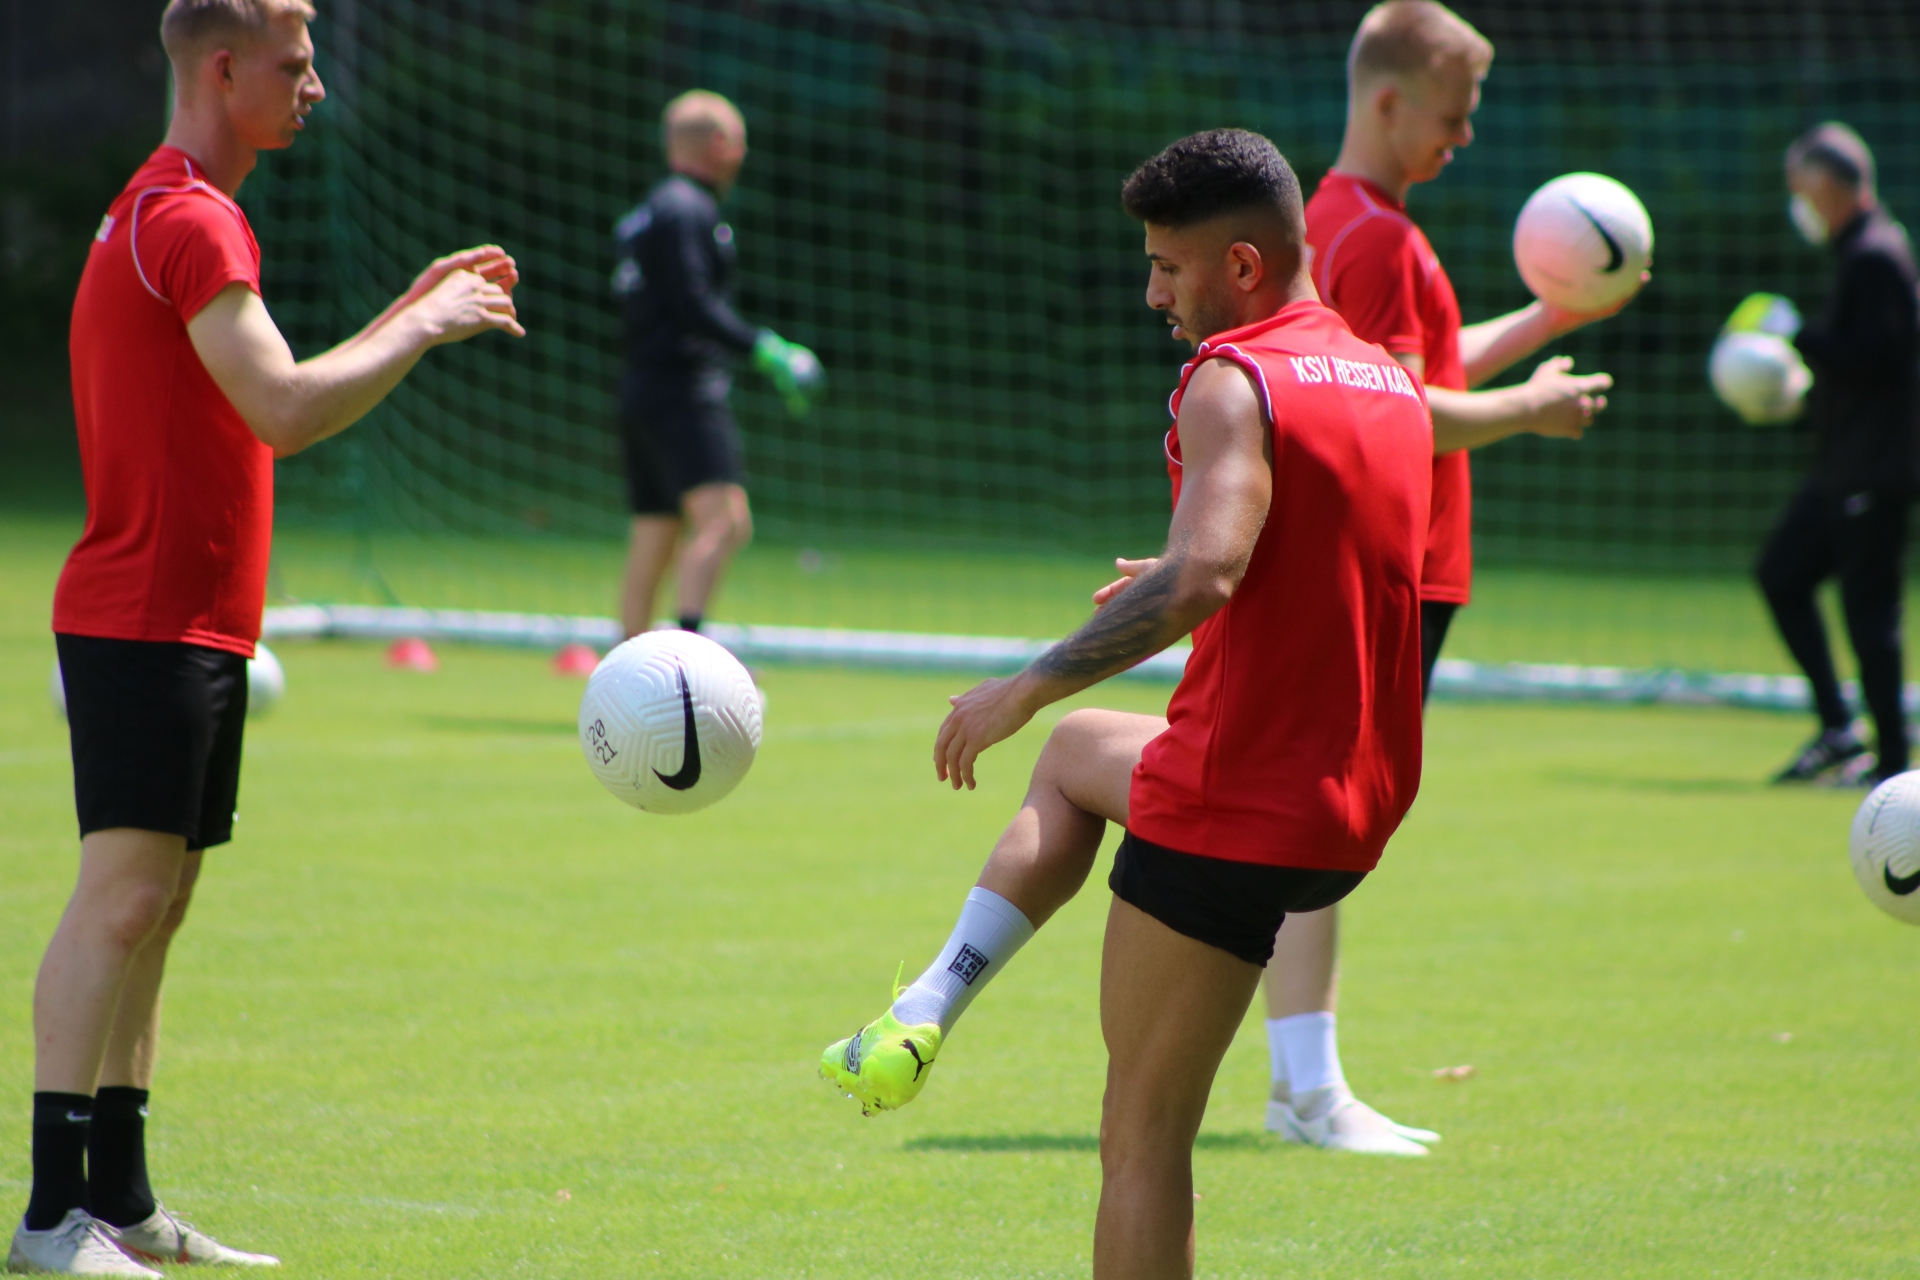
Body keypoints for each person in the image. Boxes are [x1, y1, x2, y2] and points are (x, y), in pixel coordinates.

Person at [821, 129, 1434, 1278]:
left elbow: (1206, 575)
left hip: (1235, 807)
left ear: (1241, 265)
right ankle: (926, 1002)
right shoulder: (1387, 381)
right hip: (1352, 807)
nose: (1153, 291)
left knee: (1142, 1138)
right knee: (1081, 750)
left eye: (1167, 265)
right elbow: (1325, 552)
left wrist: (1023, 683)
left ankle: (927, 1006)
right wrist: (1182, 573)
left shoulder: (1231, 378)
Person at [20, 1, 523, 1274]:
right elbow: (287, 408)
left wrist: (402, 311)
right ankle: (49, 1214)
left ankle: (121, 1200)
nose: (315, 86)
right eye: (295, 66)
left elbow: (267, 393)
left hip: (195, 622)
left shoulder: (178, 207)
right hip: (144, 616)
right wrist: (422, 325)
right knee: (121, 899)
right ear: (224, 68)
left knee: (160, 904)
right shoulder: (190, 217)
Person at [1258, 0, 1639, 1155]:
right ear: (1389, 103)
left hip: (1391, 572)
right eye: (1455, 115)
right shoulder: (1372, 238)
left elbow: (1420, 367)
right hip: (1388, 571)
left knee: (1323, 825)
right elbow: (1394, 409)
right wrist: (1528, 411)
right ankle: (1307, 1092)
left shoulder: (1354, 223)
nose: (1465, 137)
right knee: (1316, 828)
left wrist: (1548, 320)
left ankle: (1306, 1085)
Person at [611, 89, 822, 639]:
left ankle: (621, 669)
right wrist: (764, 348)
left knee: (655, 535)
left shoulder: (650, 210)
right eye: (740, 143)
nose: (743, 156)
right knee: (726, 522)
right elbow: (694, 304)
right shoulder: (690, 209)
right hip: (684, 391)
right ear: (720, 143)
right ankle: (689, 657)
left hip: (640, 388)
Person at [1758, 122, 1918, 786]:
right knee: (1781, 574)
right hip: (1845, 467)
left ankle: (1893, 764)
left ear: (1827, 185)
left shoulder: (1876, 254)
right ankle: (1838, 729)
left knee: (1870, 616)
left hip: (1874, 471)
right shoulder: (1864, 251)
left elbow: (1880, 359)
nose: (1799, 205)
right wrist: (1803, 393)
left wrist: (1800, 337)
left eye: (1801, 189)